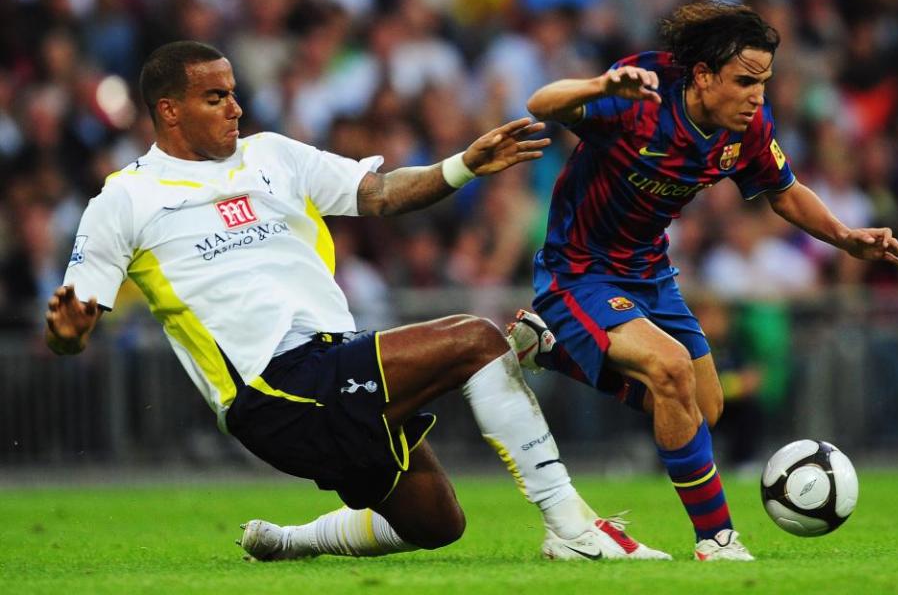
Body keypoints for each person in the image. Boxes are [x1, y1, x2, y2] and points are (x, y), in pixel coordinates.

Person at [44, 41, 671, 562]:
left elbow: (379, 193)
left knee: (437, 524)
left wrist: (464, 165)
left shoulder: (273, 156)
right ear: (169, 111)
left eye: (234, 91)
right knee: (480, 340)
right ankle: (573, 527)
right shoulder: (125, 199)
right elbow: (72, 326)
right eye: (216, 97)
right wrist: (69, 331)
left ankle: (288, 541)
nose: (236, 107)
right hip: (273, 388)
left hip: (334, 365)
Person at [507, 2, 898, 561]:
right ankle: (716, 539)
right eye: (746, 81)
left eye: (764, 82)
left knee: (703, 408)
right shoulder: (638, 103)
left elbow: (785, 192)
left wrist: (844, 237)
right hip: (579, 270)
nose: (757, 97)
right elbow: (539, 104)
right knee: (670, 369)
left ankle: (550, 350)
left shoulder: (745, 130)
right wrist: (600, 84)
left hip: (650, 269)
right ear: (702, 75)